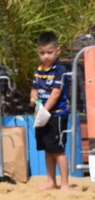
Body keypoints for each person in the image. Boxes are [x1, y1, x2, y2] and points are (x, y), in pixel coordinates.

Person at [31, 31, 70, 191]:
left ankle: (65, 184)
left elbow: (56, 93)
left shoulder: (60, 70)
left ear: (57, 51)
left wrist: (44, 111)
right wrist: (33, 99)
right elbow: (34, 89)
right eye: (42, 53)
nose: (46, 56)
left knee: (58, 150)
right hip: (42, 115)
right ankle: (50, 181)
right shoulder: (38, 69)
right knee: (47, 149)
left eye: (49, 52)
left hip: (57, 115)